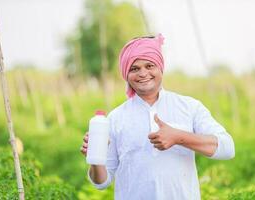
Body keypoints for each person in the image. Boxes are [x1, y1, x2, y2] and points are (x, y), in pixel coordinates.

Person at [80, 34, 235, 200]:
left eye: (149, 65)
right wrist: (95, 158)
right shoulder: (116, 118)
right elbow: (101, 182)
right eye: (134, 68)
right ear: (126, 74)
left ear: (160, 67)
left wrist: (179, 137)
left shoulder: (189, 107)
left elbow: (227, 148)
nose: (143, 73)